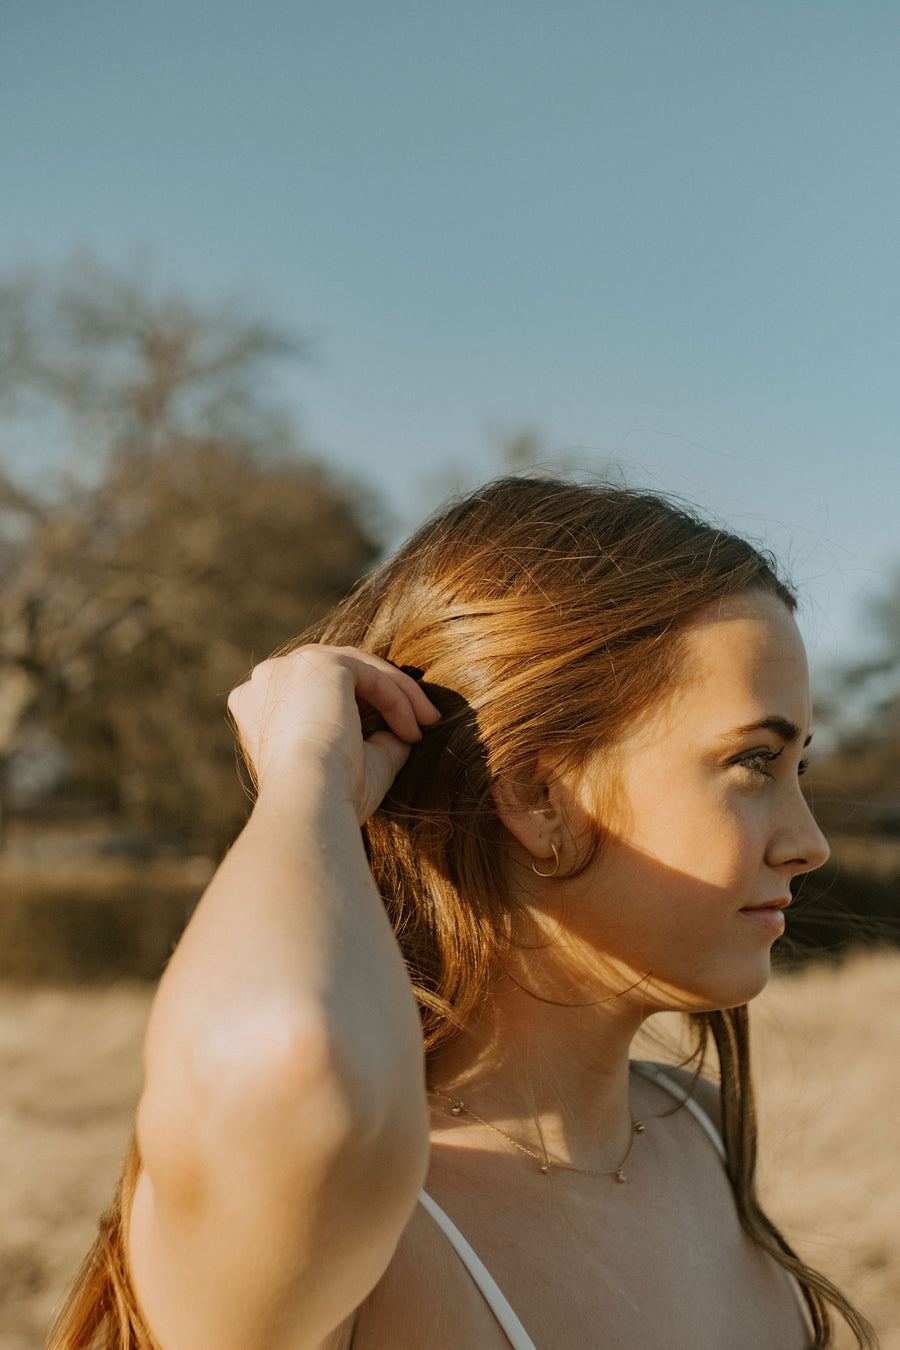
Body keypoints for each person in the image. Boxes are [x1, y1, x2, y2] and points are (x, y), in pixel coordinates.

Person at [50, 476, 876, 1350]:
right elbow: (283, 1057)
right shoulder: (334, 1215)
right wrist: (308, 777)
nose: (809, 842)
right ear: (535, 795)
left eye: (800, 769)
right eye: (753, 761)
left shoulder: (702, 1131)